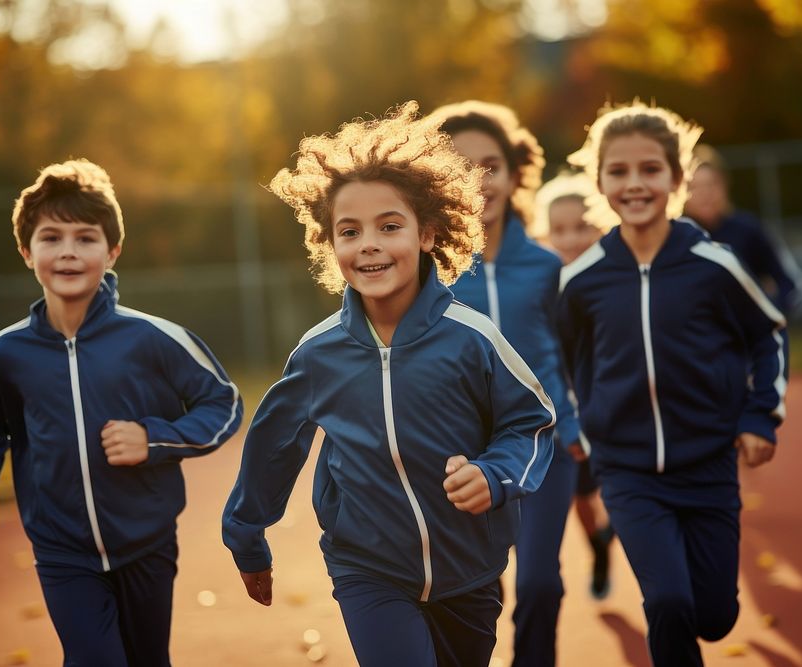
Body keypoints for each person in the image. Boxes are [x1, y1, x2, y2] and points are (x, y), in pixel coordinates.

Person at [221, 101, 556, 667]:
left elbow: (533, 423)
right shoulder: (317, 354)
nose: (369, 243)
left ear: (428, 234)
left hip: (469, 569)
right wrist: (246, 535)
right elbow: (274, 446)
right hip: (366, 567)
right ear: (331, 247)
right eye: (349, 231)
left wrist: (494, 475)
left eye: (389, 226)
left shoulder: (472, 337)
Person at [0, 159, 243, 667]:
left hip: (147, 544)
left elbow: (224, 403)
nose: (68, 251)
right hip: (62, 553)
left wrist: (153, 440)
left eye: (85, 238)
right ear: (26, 251)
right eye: (51, 237)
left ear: (112, 252)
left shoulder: (152, 338)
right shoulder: (7, 353)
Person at [558, 102, 789, 667]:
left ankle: (710, 604)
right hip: (628, 471)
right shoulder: (581, 279)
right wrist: (578, 421)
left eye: (650, 169)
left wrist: (760, 416)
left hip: (709, 466)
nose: (634, 184)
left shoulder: (715, 264)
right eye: (618, 171)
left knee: (714, 615)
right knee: (666, 602)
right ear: (600, 182)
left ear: (677, 179)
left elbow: (768, 337)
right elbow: (560, 361)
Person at [424, 100, 581, 667]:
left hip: (544, 449)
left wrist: (575, 422)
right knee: (470, 595)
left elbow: (571, 352)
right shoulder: (424, 272)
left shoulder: (545, 266)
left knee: (539, 585)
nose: (479, 181)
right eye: (460, 167)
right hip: (459, 462)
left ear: (516, 174)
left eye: (491, 165)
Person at [532, 170, 615, 601]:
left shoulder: (613, 280)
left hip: (618, 409)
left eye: (580, 227)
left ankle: (618, 523)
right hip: (568, 414)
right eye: (558, 230)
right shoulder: (543, 286)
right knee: (584, 497)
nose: (569, 239)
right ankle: (600, 545)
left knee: (622, 487)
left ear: (601, 225)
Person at [684, 143, 802, 314]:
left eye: (711, 185)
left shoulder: (747, 229)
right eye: (694, 187)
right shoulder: (674, 235)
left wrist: (770, 318)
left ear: (725, 185)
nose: (705, 194)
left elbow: (791, 284)